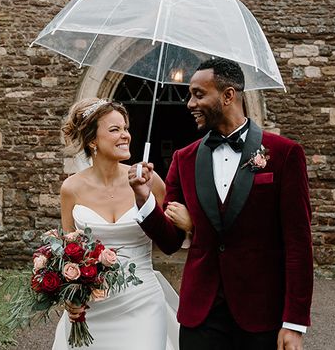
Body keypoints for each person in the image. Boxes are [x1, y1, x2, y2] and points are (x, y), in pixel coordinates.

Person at [129, 58, 314, 350]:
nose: (189, 103)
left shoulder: (285, 154)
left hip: (261, 314)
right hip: (201, 316)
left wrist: (294, 323)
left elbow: (298, 244)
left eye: (199, 94)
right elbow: (170, 242)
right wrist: (144, 198)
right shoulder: (184, 159)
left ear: (228, 95)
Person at [52, 97, 187, 350]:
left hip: (143, 300)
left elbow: (171, 238)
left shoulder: (151, 180)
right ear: (92, 140)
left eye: (125, 128)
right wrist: (70, 297)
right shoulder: (71, 189)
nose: (125, 135)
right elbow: (67, 252)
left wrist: (146, 198)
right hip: (93, 305)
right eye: (115, 130)